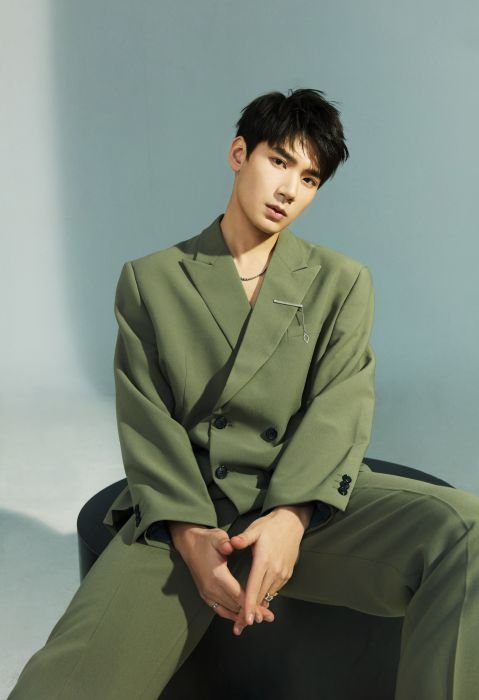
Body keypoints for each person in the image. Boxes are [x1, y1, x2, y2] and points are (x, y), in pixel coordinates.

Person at [8, 88, 479, 699]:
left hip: (304, 504)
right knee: (59, 687)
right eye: (279, 161)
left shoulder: (341, 282)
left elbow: (340, 407)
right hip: (192, 508)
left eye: (309, 179)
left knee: (466, 531)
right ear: (239, 154)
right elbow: (146, 419)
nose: (289, 189)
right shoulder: (152, 280)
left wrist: (291, 517)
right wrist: (189, 537)